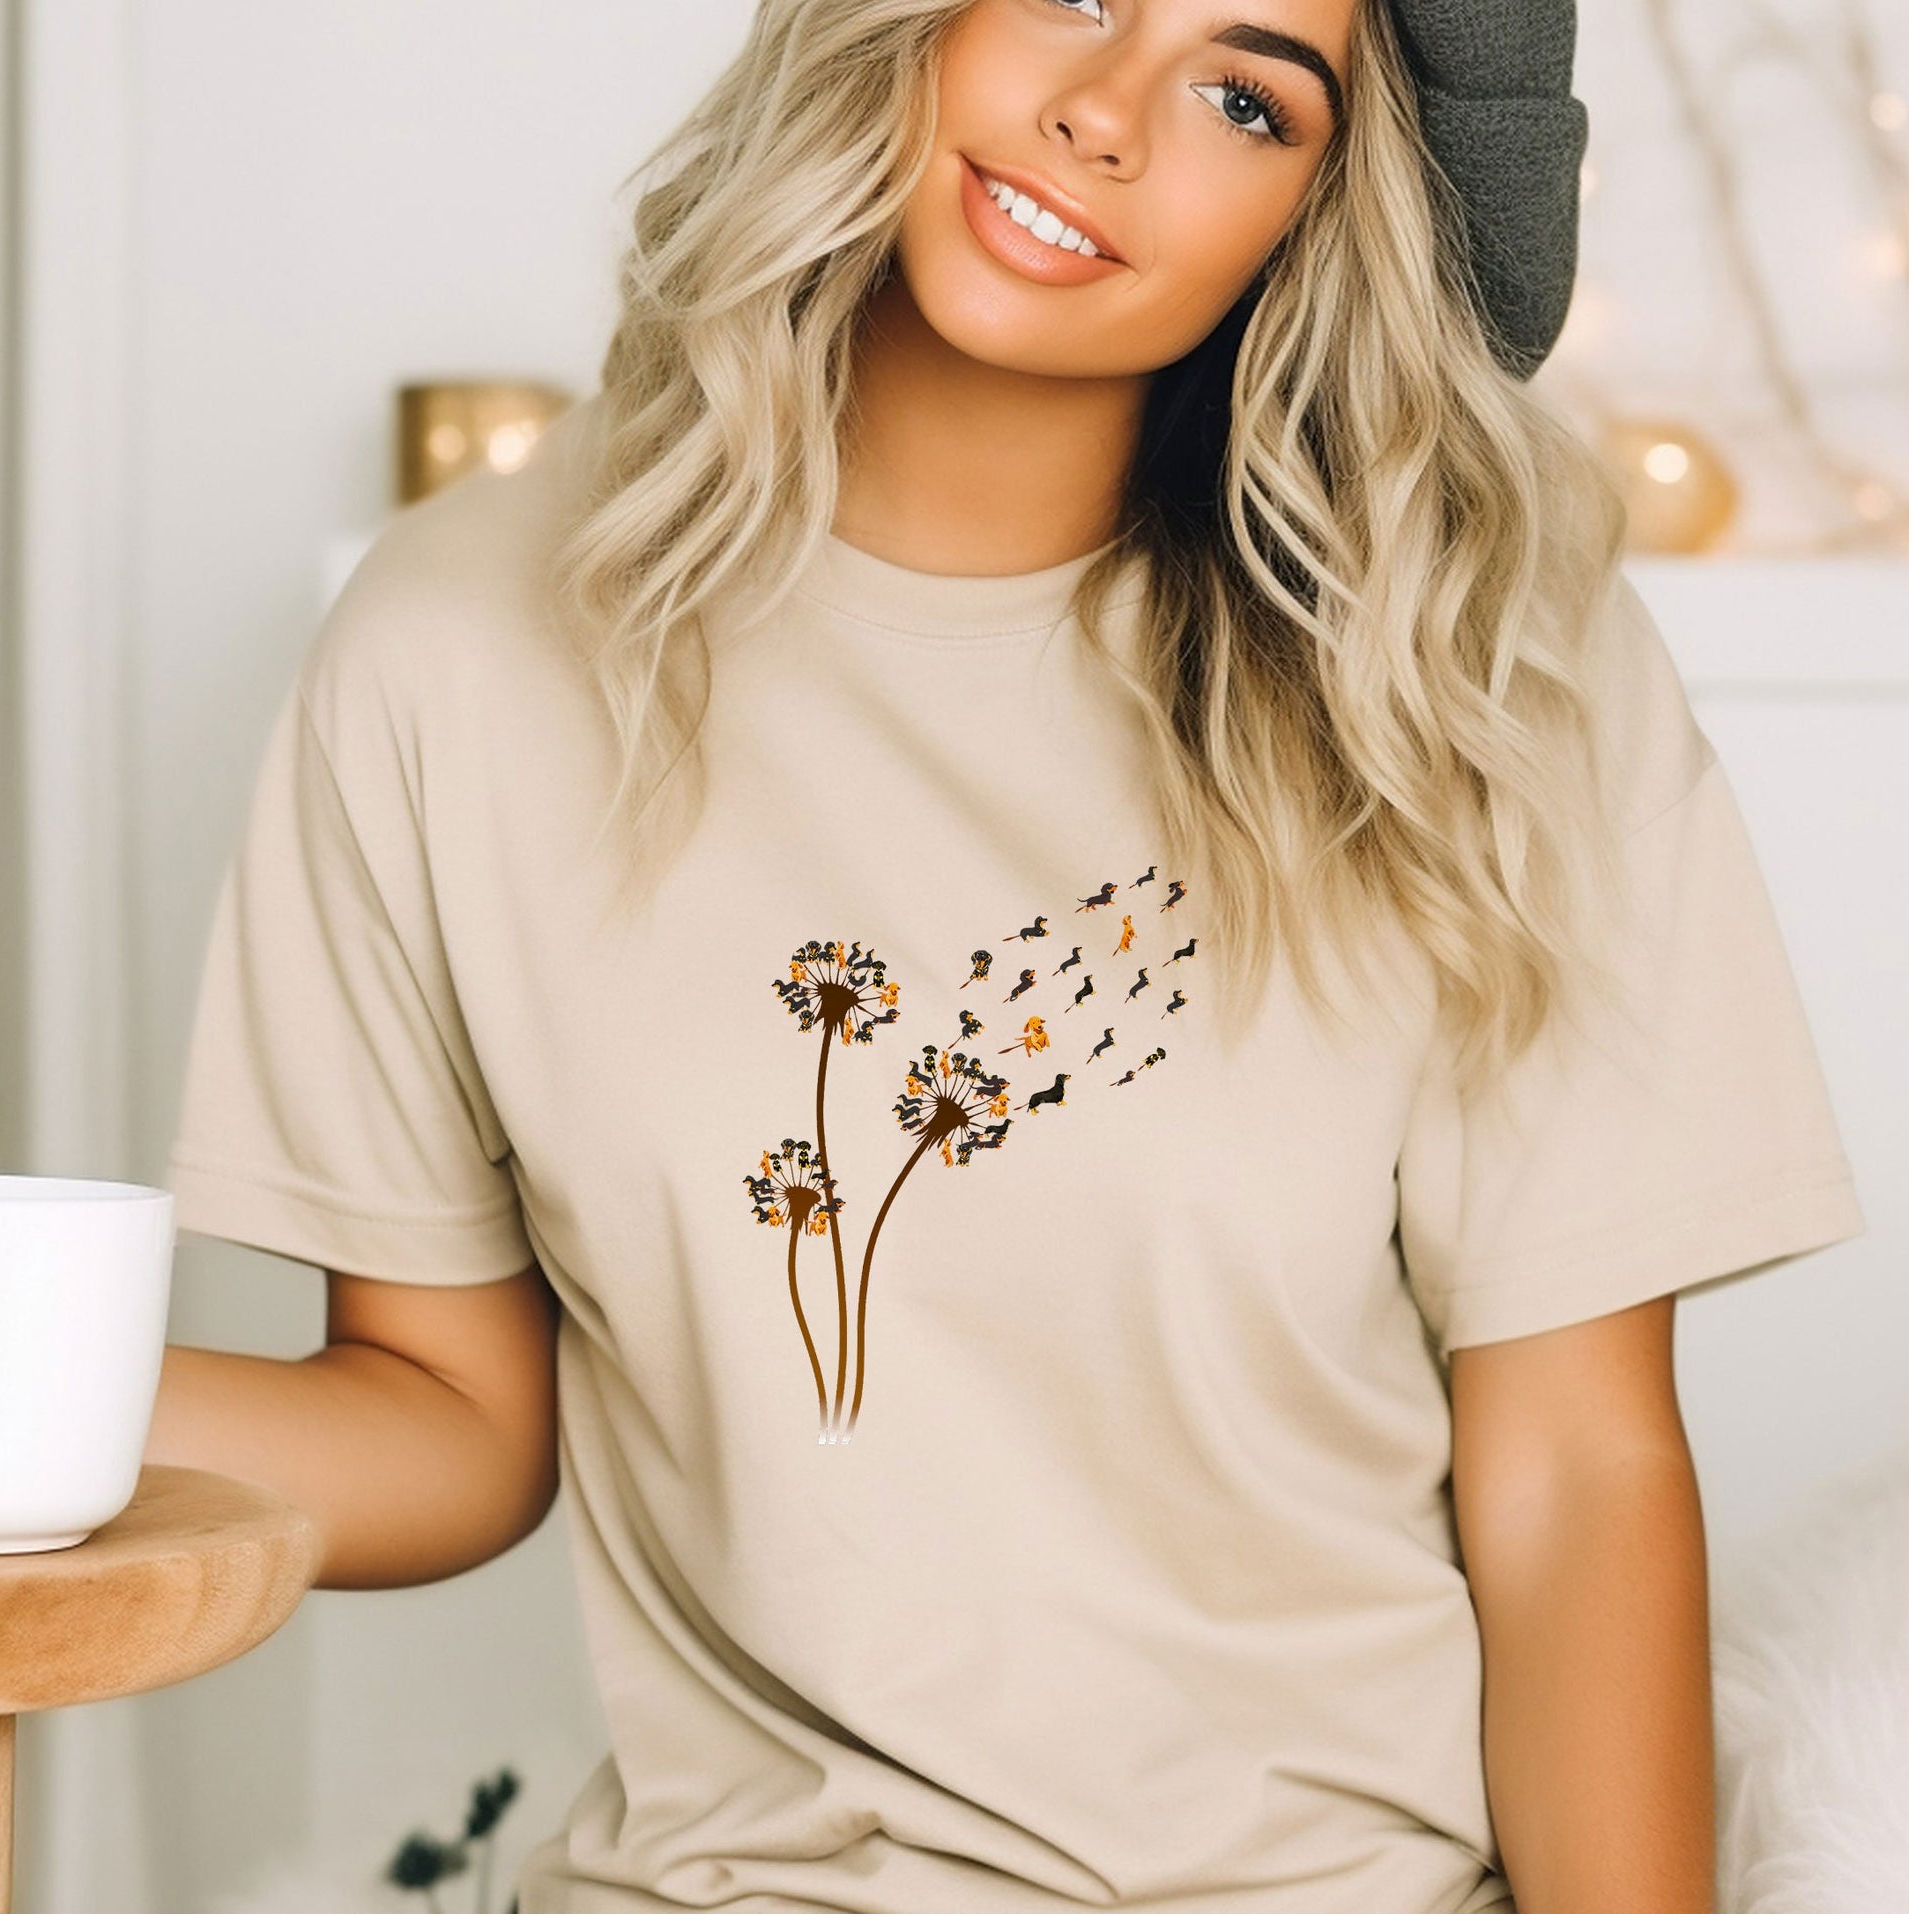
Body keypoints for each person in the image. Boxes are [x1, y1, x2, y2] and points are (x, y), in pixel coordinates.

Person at [147, 0, 1867, 1908]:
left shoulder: (1469, 678)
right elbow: (449, 1422)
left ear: (1317, 212)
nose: (1103, 117)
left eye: (1241, 95)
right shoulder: (458, 648)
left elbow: (1572, 1481)